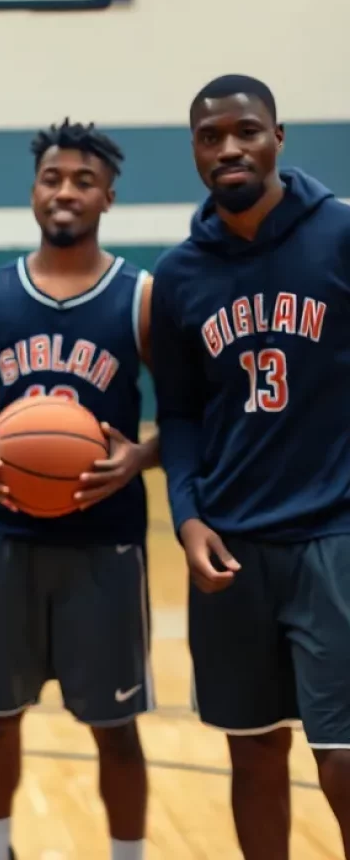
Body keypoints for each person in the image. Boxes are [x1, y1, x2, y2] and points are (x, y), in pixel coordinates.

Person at [152, 74, 350, 859]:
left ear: (278, 137)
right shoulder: (180, 275)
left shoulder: (339, 235)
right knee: (254, 749)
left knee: (341, 757)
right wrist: (188, 516)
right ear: (195, 150)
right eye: (211, 137)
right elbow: (178, 413)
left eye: (246, 131)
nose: (230, 148)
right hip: (231, 544)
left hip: (332, 535)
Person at [0, 119, 158, 860]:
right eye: (53, 179)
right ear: (33, 192)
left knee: (115, 725)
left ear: (108, 196)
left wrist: (140, 456)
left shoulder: (139, 295)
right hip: (5, 536)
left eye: (83, 180)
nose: (66, 192)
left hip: (104, 544)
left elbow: (189, 415)